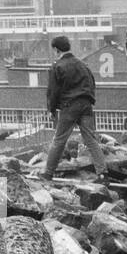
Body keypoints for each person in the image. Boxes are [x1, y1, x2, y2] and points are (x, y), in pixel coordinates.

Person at [42, 35, 110, 180]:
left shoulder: (57, 66)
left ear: (55, 49)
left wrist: (51, 109)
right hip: (86, 105)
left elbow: (53, 91)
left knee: (59, 140)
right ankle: (103, 174)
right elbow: (92, 83)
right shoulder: (83, 64)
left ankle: (48, 173)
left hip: (69, 107)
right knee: (91, 140)